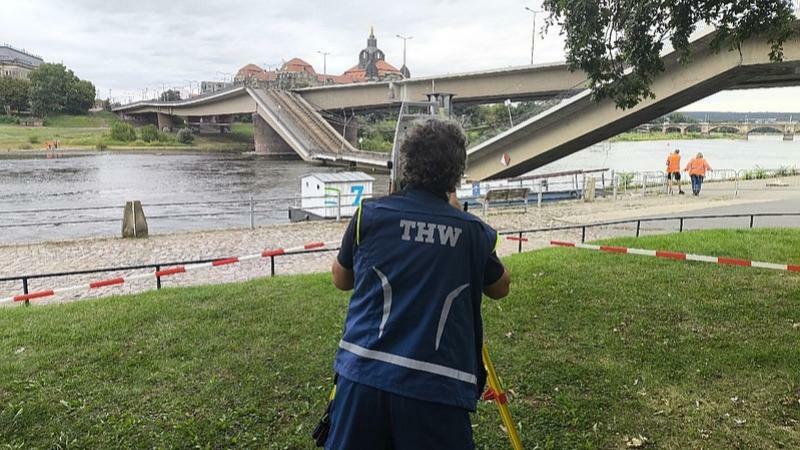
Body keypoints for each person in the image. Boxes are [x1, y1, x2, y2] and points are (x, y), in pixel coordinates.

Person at [327, 118, 511, 449]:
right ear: (457, 171)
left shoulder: (369, 215)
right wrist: (455, 214)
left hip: (363, 377)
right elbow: (501, 286)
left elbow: (341, 280)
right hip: (438, 389)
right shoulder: (471, 232)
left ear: (405, 162)